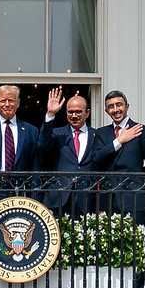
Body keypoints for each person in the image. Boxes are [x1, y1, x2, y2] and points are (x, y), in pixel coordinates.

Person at [92, 90, 145, 288]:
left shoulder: (141, 130)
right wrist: (119, 141)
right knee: (111, 244)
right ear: (106, 110)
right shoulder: (101, 134)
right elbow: (95, 161)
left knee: (136, 245)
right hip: (109, 198)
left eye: (119, 105)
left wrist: (140, 184)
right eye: (111, 106)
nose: (116, 109)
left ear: (127, 106)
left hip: (135, 197)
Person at [38, 88, 97, 219]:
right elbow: (43, 143)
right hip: (60, 196)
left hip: (87, 198)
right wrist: (50, 114)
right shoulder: (59, 134)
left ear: (87, 113)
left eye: (78, 112)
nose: (74, 115)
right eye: (70, 112)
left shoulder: (96, 135)